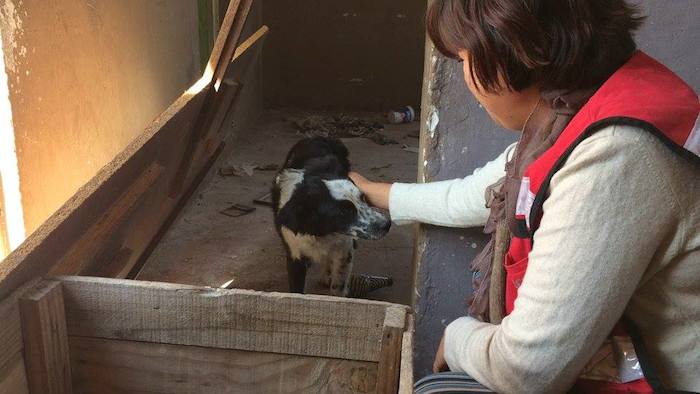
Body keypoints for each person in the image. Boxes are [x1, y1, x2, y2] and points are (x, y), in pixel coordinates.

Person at [350, 1, 700, 393]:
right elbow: (478, 193)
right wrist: (377, 194)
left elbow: (527, 368)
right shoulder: (593, 104)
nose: (467, 78)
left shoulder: (616, 152)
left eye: (465, 59)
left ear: (510, 51)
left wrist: (460, 335)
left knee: (433, 389)